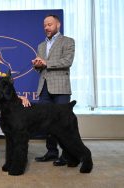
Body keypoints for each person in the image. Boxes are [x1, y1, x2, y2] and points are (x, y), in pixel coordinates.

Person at [31, 14, 75, 166]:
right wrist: (37, 65)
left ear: (58, 25)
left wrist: (46, 62)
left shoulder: (68, 41)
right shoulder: (41, 45)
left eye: (49, 24)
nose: (46, 27)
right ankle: (51, 152)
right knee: (46, 123)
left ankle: (67, 154)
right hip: (44, 88)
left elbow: (67, 61)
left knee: (63, 123)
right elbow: (42, 68)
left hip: (61, 88)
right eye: (44, 25)